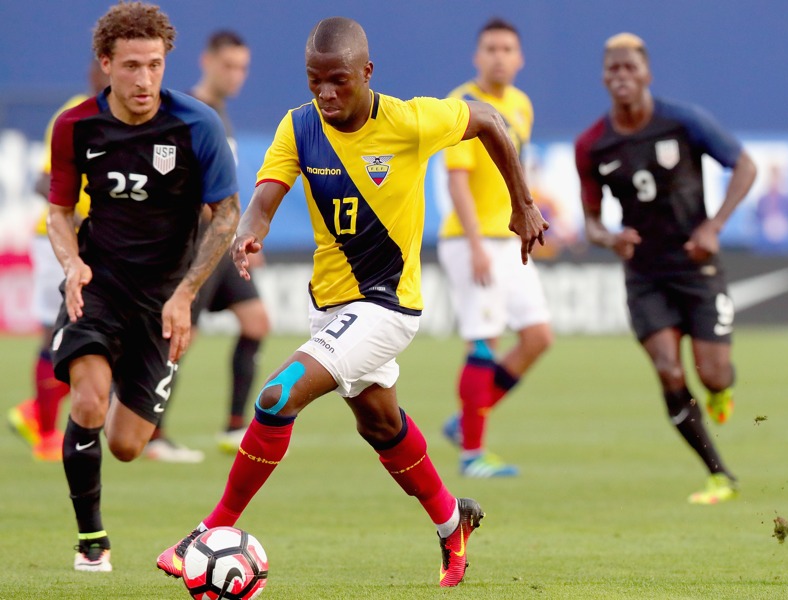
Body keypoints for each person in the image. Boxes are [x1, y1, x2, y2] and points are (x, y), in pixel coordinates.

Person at [156, 16, 547, 588]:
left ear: (367, 72)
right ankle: (450, 522)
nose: (326, 93)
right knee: (380, 423)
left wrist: (522, 202)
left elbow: (488, 119)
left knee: (276, 396)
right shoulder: (300, 126)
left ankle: (206, 531)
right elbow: (267, 192)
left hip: (388, 306)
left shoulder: (411, 120)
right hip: (332, 306)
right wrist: (251, 228)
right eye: (315, 81)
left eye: (338, 80)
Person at [47, 1, 240, 571]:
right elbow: (60, 212)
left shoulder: (195, 124)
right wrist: (70, 264)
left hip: (162, 300)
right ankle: (92, 543)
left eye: (154, 65)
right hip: (98, 284)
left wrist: (185, 295)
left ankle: (117, 388)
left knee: (128, 445)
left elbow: (226, 215)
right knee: (86, 400)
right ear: (106, 64)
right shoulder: (76, 126)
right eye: (131, 66)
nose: (144, 79)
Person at [574, 33, 757, 504]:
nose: (621, 77)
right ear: (602, 78)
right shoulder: (592, 145)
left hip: (696, 265)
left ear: (647, 74)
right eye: (613, 69)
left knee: (713, 374)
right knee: (668, 370)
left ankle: (720, 391)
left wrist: (714, 226)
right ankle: (719, 475)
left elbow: (746, 166)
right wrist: (611, 238)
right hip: (644, 275)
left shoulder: (683, 121)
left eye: (630, 68)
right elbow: (591, 223)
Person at [144, 29, 269, 461]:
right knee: (182, 335)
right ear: (207, 62)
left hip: (222, 241)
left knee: (256, 322)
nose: (236, 75)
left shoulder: (219, 114)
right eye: (228, 66)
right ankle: (151, 433)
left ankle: (235, 426)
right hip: (195, 245)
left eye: (243, 67)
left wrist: (241, 233)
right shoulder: (187, 113)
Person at [437, 18, 552, 478]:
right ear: (477, 57)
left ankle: (465, 423)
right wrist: (474, 244)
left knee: (538, 336)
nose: (499, 56)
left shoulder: (521, 105)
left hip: (508, 237)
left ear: (519, 58)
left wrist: (530, 217)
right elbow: (457, 180)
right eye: (491, 48)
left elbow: (516, 171)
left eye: (507, 48)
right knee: (484, 338)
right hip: (472, 240)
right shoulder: (461, 105)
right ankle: (472, 454)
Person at [7, 60, 107, 462]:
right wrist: (80, 220)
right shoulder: (74, 115)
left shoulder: (127, 121)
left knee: (102, 338)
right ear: (101, 70)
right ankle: (46, 432)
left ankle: (34, 412)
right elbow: (42, 180)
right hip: (56, 243)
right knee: (56, 331)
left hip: (97, 246)